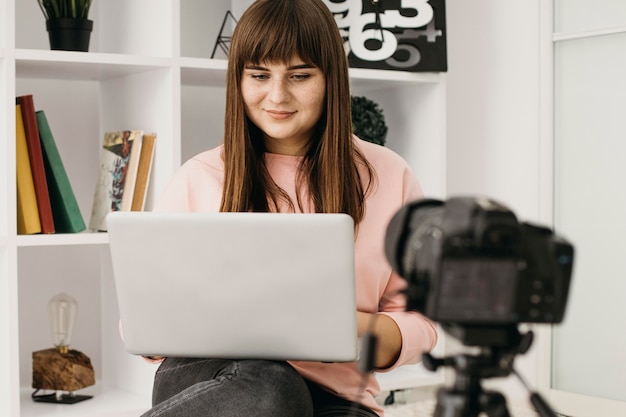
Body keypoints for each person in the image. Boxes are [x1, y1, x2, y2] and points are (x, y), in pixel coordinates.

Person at [141, 0, 437, 416]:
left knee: (284, 395)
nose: (277, 95)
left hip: (336, 396)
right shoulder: (200, 176)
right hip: (213, 379)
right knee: (272, 390)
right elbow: (143, 320)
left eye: (299, 76)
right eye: (259, 75)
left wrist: (343, 325)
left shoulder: (388, 174)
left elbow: (421, 322)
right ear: (238, 80)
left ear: (330, 78)